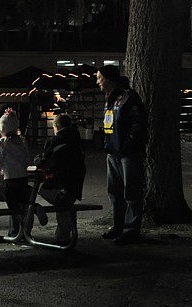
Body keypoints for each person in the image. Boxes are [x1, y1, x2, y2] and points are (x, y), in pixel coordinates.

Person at [96, 65, 147, 246]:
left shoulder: (128, 97)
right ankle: (119, 227)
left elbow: (138, 124)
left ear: (108, 79)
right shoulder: (111, 98)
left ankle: (130, 230)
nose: (97, 82)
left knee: (131, 191)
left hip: (127, 153)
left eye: (99, 78)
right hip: (114, 152)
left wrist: (127, 145)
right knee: (115, 192)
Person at [34, 113, 87, 244]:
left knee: (46, 193)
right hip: (75, 184)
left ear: (56, 126)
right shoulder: (77, 140)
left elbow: (46, 163)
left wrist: (38, 161)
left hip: (60, 183)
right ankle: (66, 235)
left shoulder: (56, 141)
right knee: (66, 204)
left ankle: (63, 237)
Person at [0, 108, 45, 240]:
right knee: (23, 202)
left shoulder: (2, 143)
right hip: (22, 178)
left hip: (10, 179)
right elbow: (27, 160)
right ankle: (34, 207)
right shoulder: (21, 141)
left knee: (13, 207)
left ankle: (19, 232)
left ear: (3, 127)